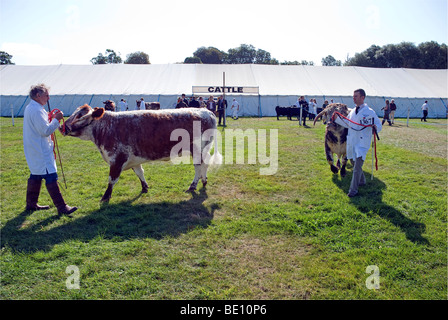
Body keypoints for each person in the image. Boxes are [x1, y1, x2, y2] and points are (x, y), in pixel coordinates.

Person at [23, 84, 77, 215]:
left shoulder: (32, 107)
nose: (48, 97)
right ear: (38, 95)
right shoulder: (36, 110)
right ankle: (62, 207)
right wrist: (56, 120)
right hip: (40, 149)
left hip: (34, 147)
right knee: (50, 175)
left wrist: (49, 119)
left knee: (36, 174)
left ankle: (31, 204)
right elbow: (45, 131)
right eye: (46, 95)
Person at [334, 89, 382, 197]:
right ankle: (362, 181)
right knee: (353, 162)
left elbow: (379, 125)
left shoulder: (369, 112)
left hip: (361, 143)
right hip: (352, 141)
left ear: (362, 97)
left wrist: (375, 128)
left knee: (356, 169)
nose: (353, 98)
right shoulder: (352, 111)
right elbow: (348, 123)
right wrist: (337, 119)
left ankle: (353, 191)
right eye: (353, 96)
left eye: (356, 96)